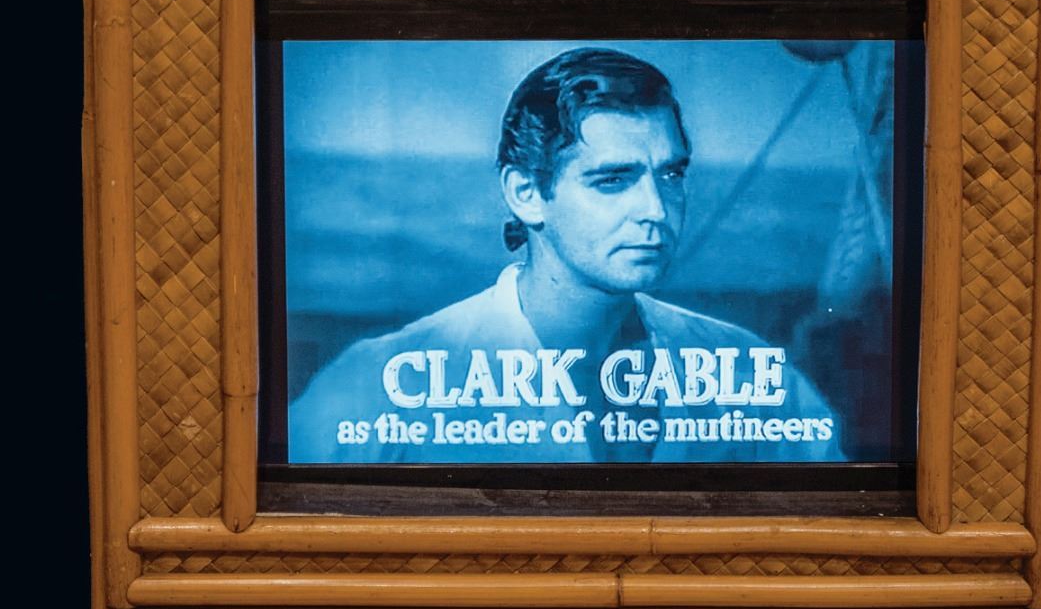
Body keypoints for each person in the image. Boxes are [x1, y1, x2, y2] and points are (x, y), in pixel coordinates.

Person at [289, 47, 843, 464]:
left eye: (671, 175)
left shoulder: (744, 372)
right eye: (613, 180)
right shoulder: (381, 386)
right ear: (526, 193)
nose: (656, 209)